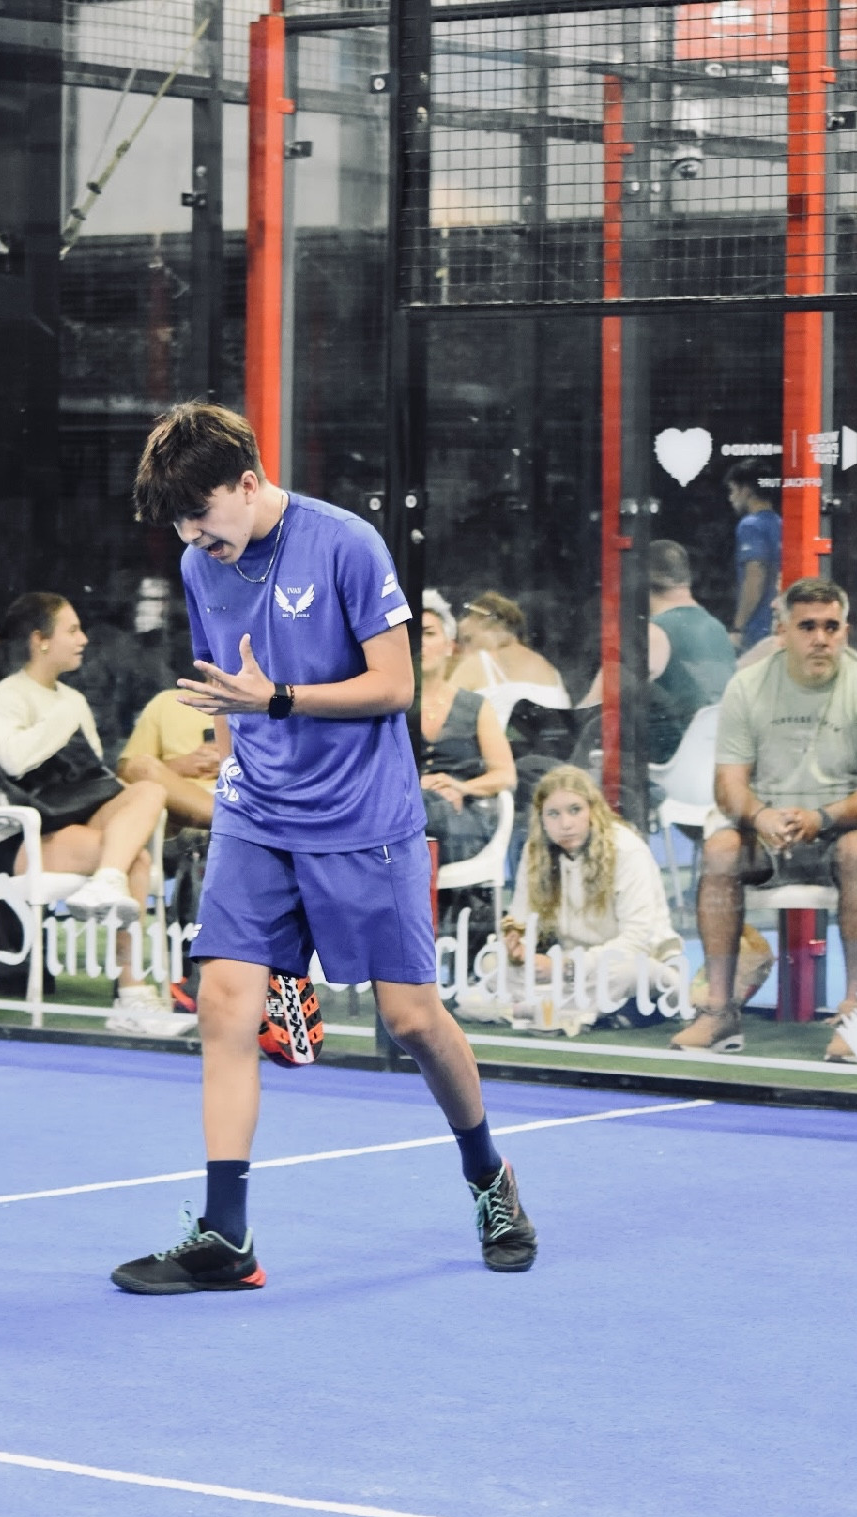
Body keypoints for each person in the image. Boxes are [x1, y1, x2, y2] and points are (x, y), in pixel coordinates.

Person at [111, 401, 537, 1294]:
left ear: (249, 483)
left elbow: (395, 686)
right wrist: (234, 755)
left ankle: (488, 1177)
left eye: (202, 515)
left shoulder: (347, 545)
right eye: (180, 524)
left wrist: (279, 700)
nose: (193, 538)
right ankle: (226, 1237)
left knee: (412, 1021)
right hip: (257, 812)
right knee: (225, 1005)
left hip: (363, 817)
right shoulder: (199, 561)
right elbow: (228, 688)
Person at [0, 592, 193, 1038]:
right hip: (18, 834)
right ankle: (131, 995)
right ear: (40, 640)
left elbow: (92, 778)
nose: (84, 639)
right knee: (137, 860)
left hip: (70, 822)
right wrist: (62, 717)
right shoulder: (8, 696)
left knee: (149, 790)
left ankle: (107, 882)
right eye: (72, 630)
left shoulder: (72, 699)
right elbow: (14, 761)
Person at [670, 577, 857, 1059]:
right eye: (807, 627)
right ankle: (719, 1010)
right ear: (781, 631)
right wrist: (760, 817)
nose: (820, 638)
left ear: (845, 631)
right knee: (720, 849)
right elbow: (728, 786)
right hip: (769, 835)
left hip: (840, 833)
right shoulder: (747, 686)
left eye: (831, 627)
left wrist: (822, 818)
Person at [497, 765, 683, 1027]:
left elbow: (636, 941)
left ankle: (532, 1011)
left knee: (628, 972)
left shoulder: (627, 850)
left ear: (593, 810)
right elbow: (520, 921)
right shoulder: (535, 851)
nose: (565, 824)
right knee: (494, 968)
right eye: (553, 814)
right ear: (541, 819)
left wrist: (563, 967)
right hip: (571, 973)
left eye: (575, 810)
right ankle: (571, 1011)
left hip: (635, 966)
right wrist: (517, 949)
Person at [574, 539, 736, 765]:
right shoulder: (717, 630)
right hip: (710, 765)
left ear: (638, 583)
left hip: (664, 767)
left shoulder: (651, 633)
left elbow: (590, 708)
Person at [419, 589, 515, 864]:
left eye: (429, 633)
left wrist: (461, 787)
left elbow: (505, 775)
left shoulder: (476, 706)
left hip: (461, 821)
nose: (420, 642)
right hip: (406, 812)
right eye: (413, 635)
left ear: (450, 646)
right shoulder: (390, 705)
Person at [449, 590, 570, 726]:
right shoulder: (552, 672)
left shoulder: (477, 664)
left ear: (495, 629)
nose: (464, 652)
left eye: (468, 639)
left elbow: (441, 722)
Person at [117, 686, 220, 832]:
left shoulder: (255, 704)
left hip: (243, 796)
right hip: (182, 803)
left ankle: (232, 822)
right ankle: (233, 822)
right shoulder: (167, 701)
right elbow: (126, 773)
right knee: (139, 766)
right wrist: (180, 766)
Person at [725, 459, 782, 656]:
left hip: (758, 630)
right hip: (778, 624)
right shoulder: (780, 524)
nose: (731, 498)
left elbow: (755, 577)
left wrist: (738, 627)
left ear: (746, 491)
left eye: (733, 490)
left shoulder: (750, 525)